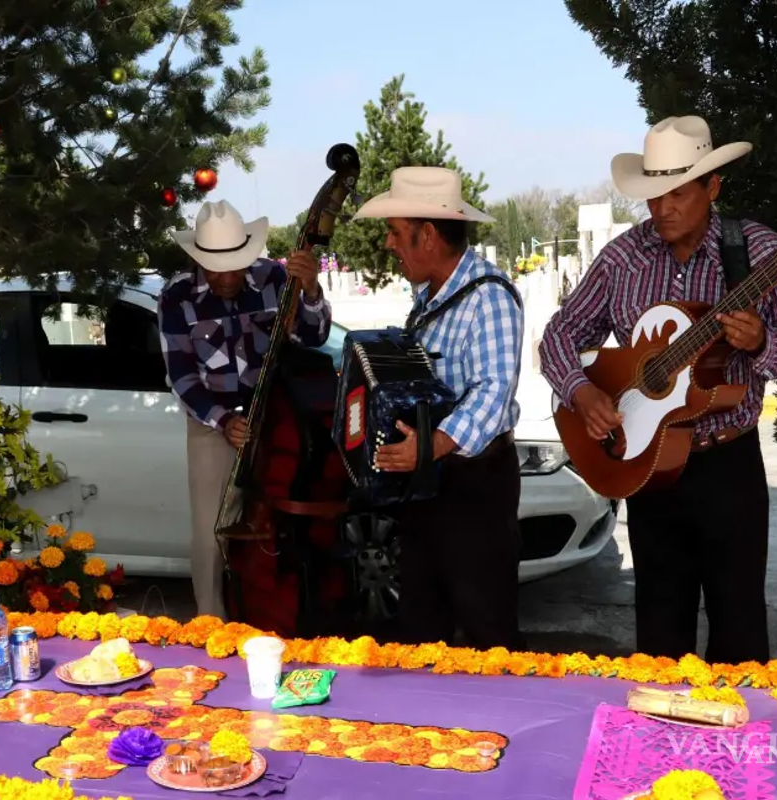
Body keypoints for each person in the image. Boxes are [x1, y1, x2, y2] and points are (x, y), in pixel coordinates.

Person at [538, 116, 777, 665]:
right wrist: (582, 393)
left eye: (676, 194)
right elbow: (560, 334)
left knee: (739, 628)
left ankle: (737, 747)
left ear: (713, 187)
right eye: (653, 195)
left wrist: (758, 343)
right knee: (659, 632)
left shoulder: (758, 252)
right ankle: (661, 748)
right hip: (650, 465)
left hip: (728, 464)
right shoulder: (623, 258)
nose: (661, 208)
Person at [353, 166, 525, 651]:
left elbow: (493, 391)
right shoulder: (428, 299)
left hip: (475, 487)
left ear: (427, 235)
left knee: (486, 632)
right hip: (430, 483)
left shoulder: (488, 297)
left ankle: (497, 726)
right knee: (421, 623)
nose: (389, 243)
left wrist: (431, 445)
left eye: (395, 231)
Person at [158, 200, 330, 619]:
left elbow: (314, 336)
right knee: (211, 534)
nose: (224, 277)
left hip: (276, 419)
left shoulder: (274, 277)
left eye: (233, 265)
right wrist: (223, 420)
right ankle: (211, 625)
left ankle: (278, 617)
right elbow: (181, 378)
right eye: (214, 268)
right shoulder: (177, 296)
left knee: (281, 518)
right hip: (211, 423)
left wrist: (310, 293)